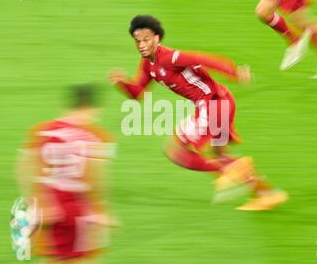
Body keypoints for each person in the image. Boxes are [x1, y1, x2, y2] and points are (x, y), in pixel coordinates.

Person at [109, 15, 288, 211]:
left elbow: (202, 59)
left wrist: (234, 72)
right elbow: (138, 94)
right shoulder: (147, 64)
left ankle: (229, 171)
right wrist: (122, 83)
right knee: (220, 154)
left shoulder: (170, 58)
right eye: (137, 41)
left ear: (157, 38)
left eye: (146, 39)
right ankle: (266, 194)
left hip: (212, 105)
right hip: (221, 102)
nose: (141, 45)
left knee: (176, 152)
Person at [15, 83, 116, 264]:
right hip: (77, 210)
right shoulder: (95, 136)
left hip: (49, 205)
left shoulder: (42, 131)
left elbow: (22, 167)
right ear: (91, 107)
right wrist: (100, 210)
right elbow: (96, 177)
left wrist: (34, 203)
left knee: (54, 260)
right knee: (81, 263)